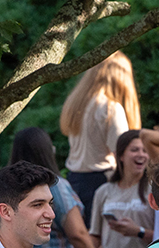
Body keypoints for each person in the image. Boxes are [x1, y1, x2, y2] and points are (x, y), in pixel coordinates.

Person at [60, 51, 141, 227]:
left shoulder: (77, 103)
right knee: (99, 243)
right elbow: (124, 153)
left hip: (74, 181)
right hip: (101, 182)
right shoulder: (110, 108)